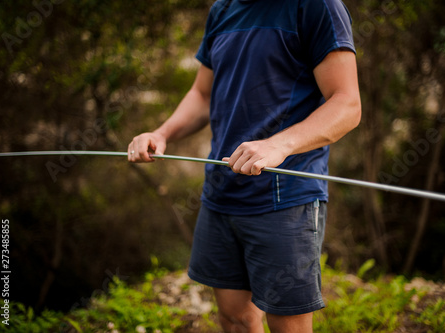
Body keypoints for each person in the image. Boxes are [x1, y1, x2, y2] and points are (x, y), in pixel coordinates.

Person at [128, 0, 361, 331]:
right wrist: (162, 133)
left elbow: (347, 104)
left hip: (285, 198)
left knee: (288, 326)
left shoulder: (316, 6)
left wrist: (279, 144)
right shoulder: (222, 9)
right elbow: (202, 94)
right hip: (221, 194)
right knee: (235, 318)